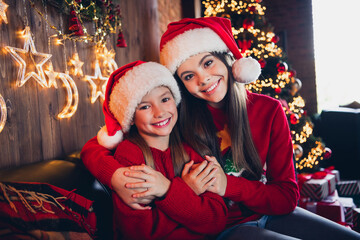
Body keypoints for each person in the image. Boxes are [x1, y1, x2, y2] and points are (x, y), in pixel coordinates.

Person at [82, 17, 360, 239]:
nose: (203, 80)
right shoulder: (175, 114)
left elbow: (286, 197)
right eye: (189, 76)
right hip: (223, 227)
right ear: (182, 85)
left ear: (229, 61)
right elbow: (96, 147)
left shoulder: (269, 110)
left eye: (208, 63)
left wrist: (228, 185)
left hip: (270, 213)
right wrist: (116, 176)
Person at [97, 60, 227, 239]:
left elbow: (216, 219)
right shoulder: (130, 155)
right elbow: (139, 233)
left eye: (165, 99)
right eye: (145, 106)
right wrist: (186, 192)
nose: (159, 112)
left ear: (175, 100)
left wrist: (167, 189)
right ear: (131, 117)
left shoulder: (190, 149)